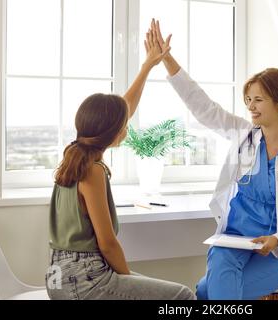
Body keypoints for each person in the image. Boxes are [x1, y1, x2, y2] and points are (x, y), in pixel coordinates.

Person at [151, 20, 278, 300]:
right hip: (234, 241)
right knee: (217, 284)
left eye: (258, 100)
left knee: (205, 291)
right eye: (248, 99)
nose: (250, 106)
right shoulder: (243, 136)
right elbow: (203, 107)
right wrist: (167, 60)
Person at [45, 25, 195, 300]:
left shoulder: (73, 156)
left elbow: (123, 107)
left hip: (59, 278)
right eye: (123, 124)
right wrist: (126, 278)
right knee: (181, 296)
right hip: (86, 281)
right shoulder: (92, 171)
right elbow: (108, 243)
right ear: (111, 132)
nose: (127, 126)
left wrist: (148, 65)